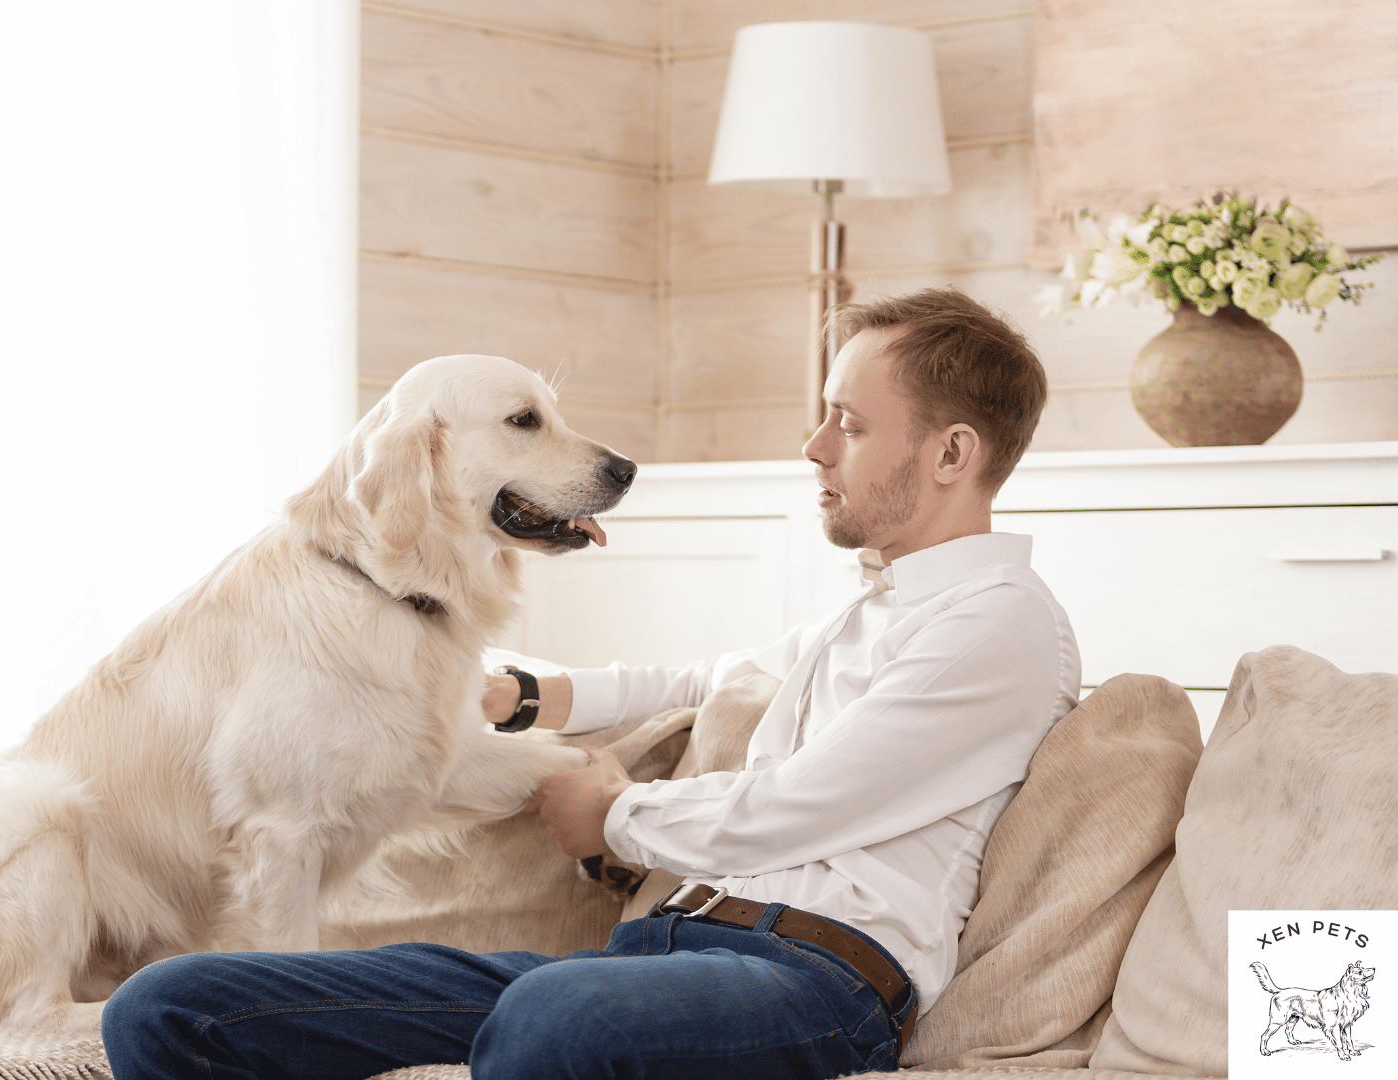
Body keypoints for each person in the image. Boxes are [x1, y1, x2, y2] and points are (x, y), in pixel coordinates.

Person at [101, 288, 1080, 1080]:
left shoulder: (996, 625)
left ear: (954, 453)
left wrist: (612, 817)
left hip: (819, 981)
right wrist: (533, 699)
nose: (813, 447)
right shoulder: (875, 610)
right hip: (661, 950)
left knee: (555, 1018)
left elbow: (801, 807)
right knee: (175, 1003)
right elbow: (710, 678)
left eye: (848, 423)